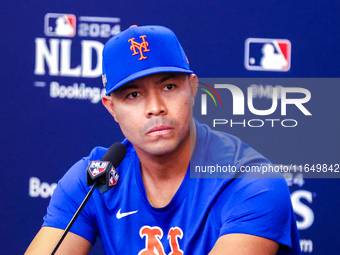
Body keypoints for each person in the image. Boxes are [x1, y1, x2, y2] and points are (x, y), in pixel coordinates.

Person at [25, 25, 301, 254]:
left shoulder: (250, 182)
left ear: (192, 89)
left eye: (168, 87)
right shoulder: (95, 178)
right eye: (133, 95)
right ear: (111, 108)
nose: (155, 107)